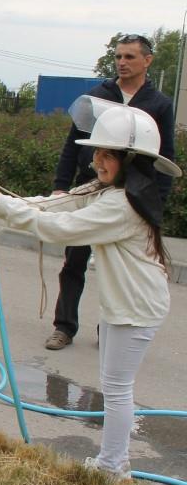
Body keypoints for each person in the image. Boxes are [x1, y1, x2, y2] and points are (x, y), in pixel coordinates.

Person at [0, 99, 181, 481]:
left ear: (132, 160)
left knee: (116, 390)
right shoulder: (108, 190)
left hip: (137, 308)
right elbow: (58, 205)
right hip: (127, 303)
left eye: (107, 154)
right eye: (96, 151)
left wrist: (1, 206)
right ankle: (113, 463)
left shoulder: (122, 205)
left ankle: (113, 467)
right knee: (115, 386)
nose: (97, 160)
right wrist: (3, 202)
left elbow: (62, 229)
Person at [45, 33, 175, 350]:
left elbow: (166, 156)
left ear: (148, 60)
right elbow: (71, 145)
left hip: (131, 198)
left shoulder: (158, 105)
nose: (122, 62)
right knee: (74, 261)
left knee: (114, 269)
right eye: (118, 56)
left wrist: (154, 203)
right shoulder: (97, 96)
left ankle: (109, 331)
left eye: (130, 57)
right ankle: (64, 327)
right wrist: (62, 188)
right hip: (91, 188)